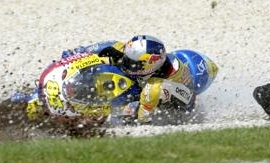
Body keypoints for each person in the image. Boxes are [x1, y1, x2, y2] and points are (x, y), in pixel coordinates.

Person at [61, 35, 197, 124]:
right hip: (146, 85)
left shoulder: (166, 79)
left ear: (149, 66)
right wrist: (77, 53)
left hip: (177, 100)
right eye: (127, 57)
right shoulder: (132, 56)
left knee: (148, 94)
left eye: (131, 62)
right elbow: (112, 45)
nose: (125, 62)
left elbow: (142, 117)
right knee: (112, 50)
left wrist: (129, 116)